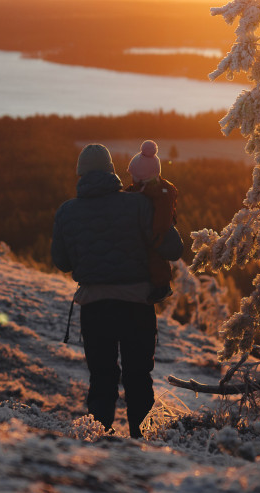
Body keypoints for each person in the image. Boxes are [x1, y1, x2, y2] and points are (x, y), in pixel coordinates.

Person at [51, 143, 183, 438]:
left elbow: (61, 262)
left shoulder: (67, 212)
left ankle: (98, 441)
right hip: (137, 307)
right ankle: (144, 441)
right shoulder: (138, 204)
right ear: (112, 171)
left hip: (94, 309)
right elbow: (173, 249)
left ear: (81, 174)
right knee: (138, 377)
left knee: (102, 378)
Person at [125, 140, 179, 303]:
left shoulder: (157, 195)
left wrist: (157, 233)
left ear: (141, 179)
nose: (131, 180)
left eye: (133, 177)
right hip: (151, 239)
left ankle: (162, 286)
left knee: (154, 257)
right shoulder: (156, 191)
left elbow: (163, 216)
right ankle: (161, 285)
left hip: (154, 239)